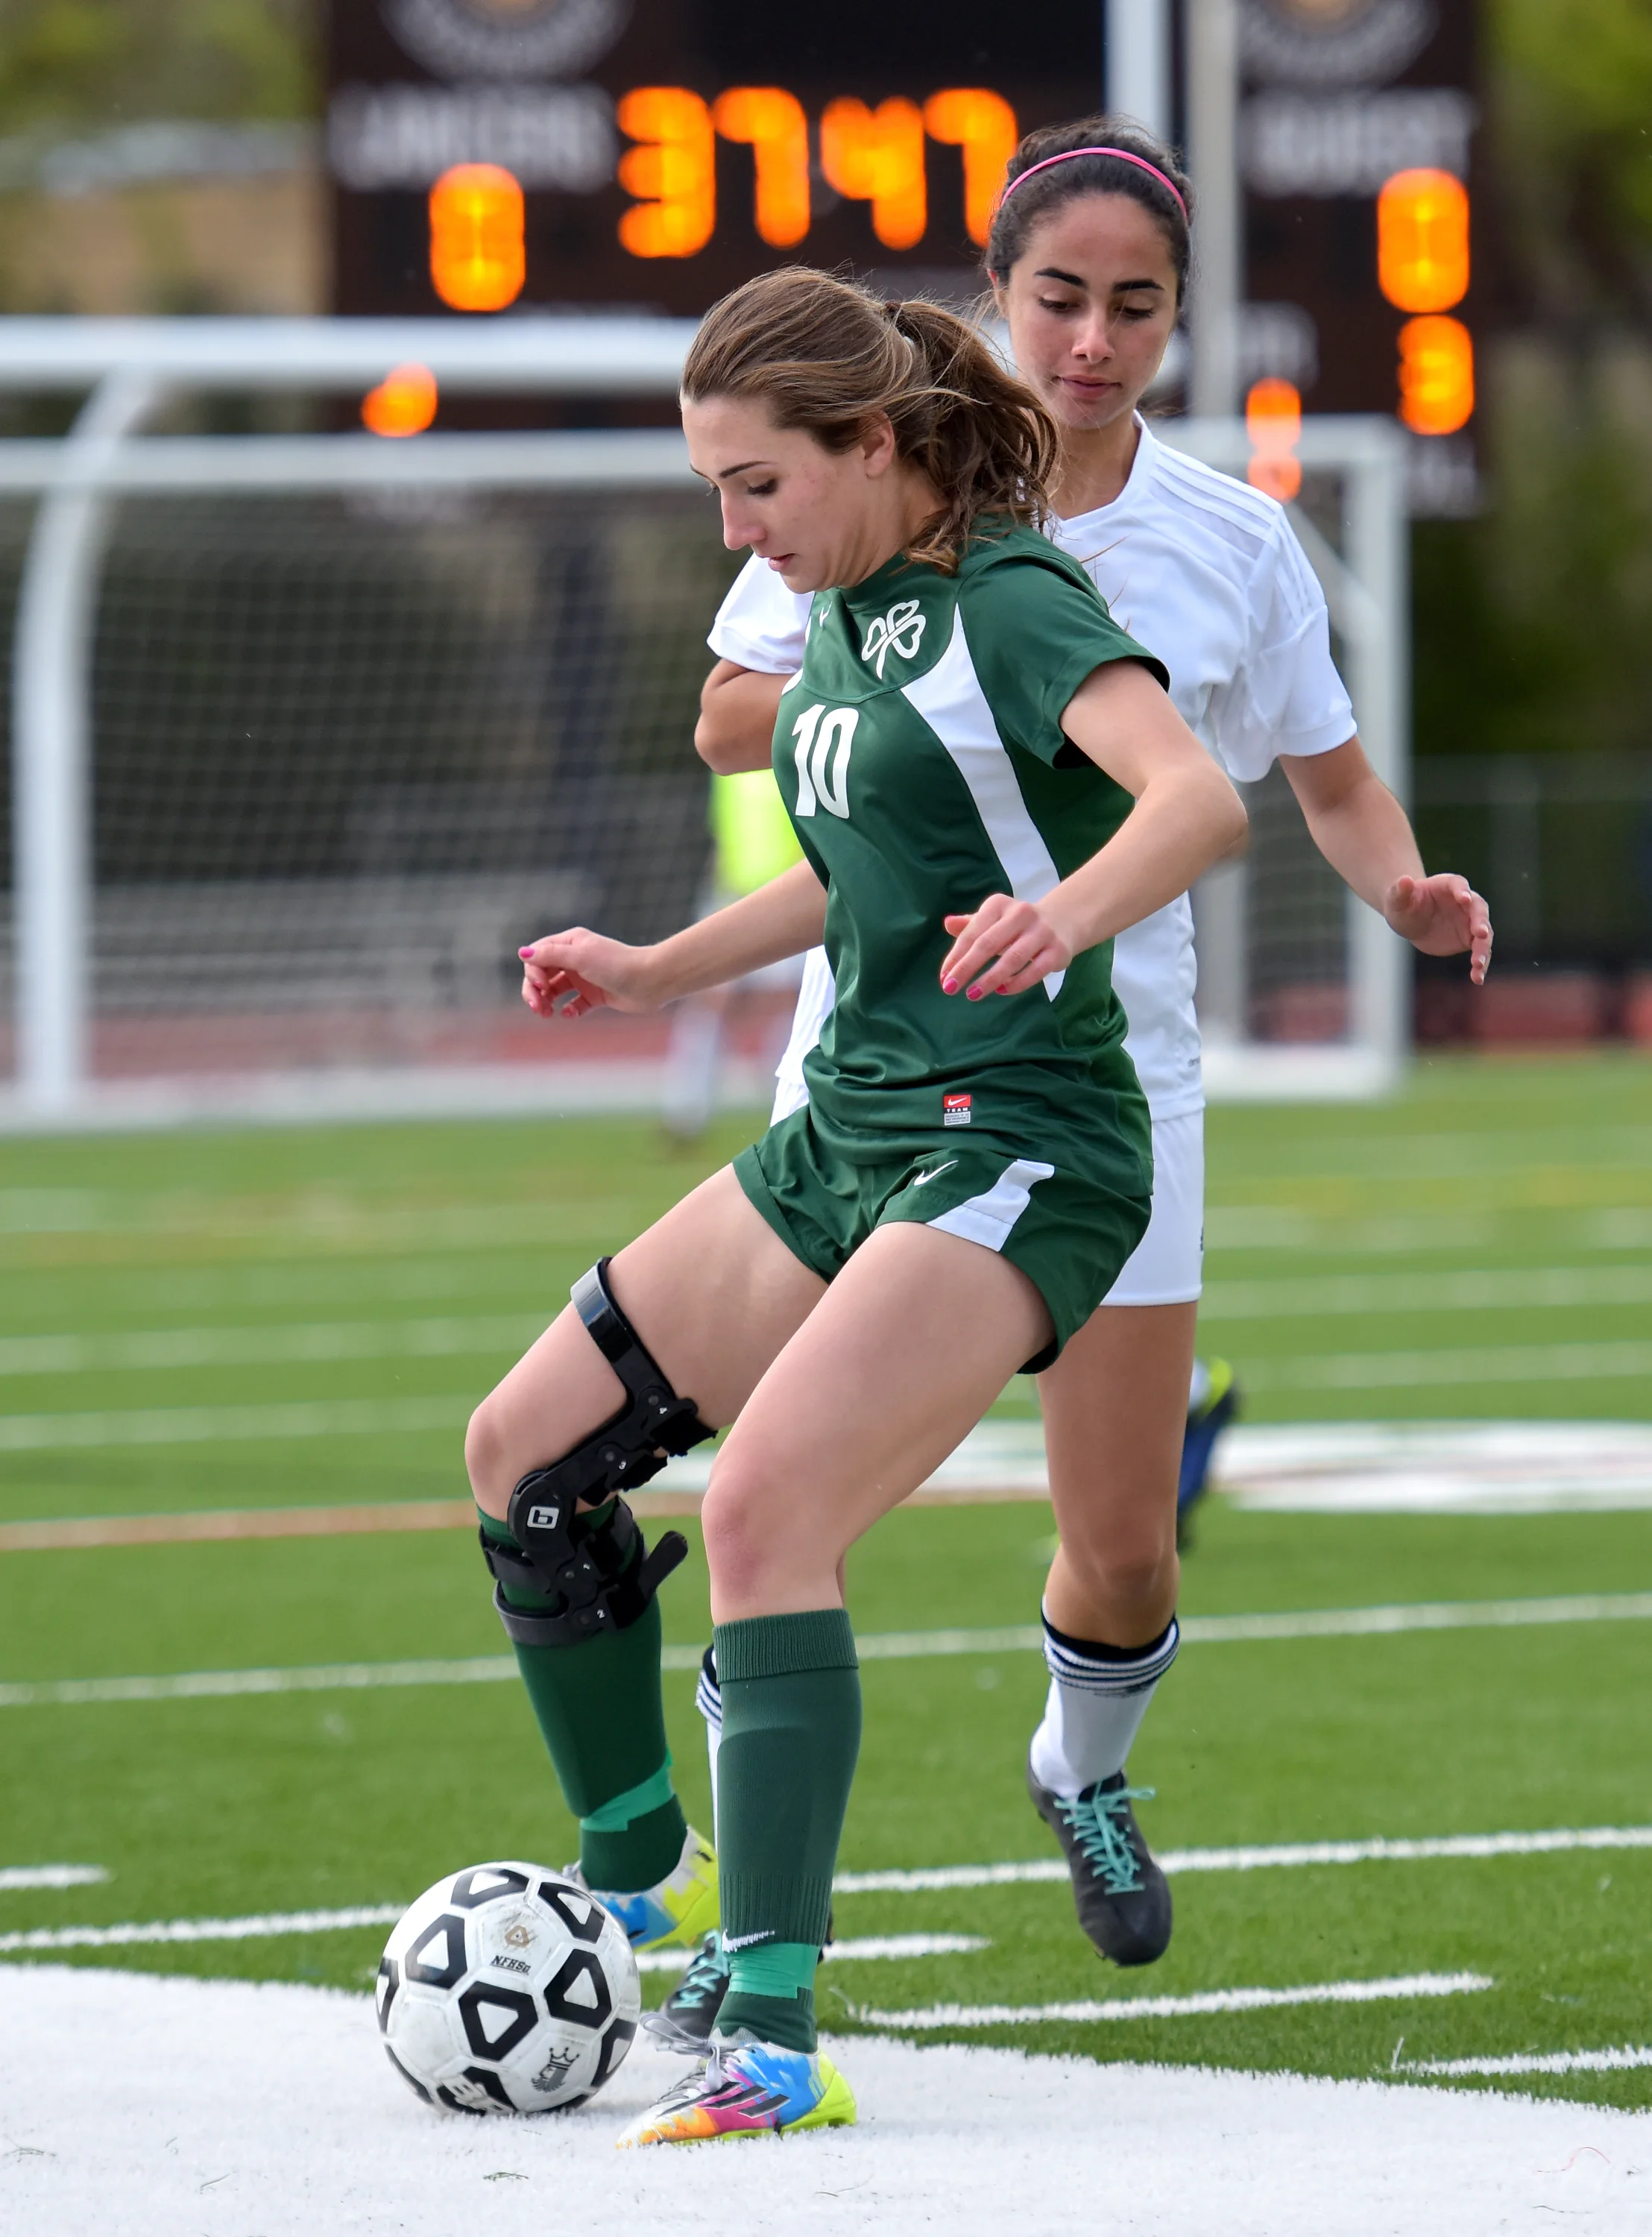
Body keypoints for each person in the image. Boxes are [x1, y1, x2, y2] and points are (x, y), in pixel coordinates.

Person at [670, 115, 1493, 2037]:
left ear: (1180, 318)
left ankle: (1080, 1768)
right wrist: (908, 673)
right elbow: (723, 715)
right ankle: (705, 1896)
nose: (1092, 338)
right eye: (1058, 296)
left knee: (1118, 1542)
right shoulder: (867, 486)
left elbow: (1320, 773)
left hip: (1105, 1094)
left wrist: (1402, 887)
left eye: (1136, 306)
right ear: (994, 291)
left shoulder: (1225, 539)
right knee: (742, 1499)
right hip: (877, 1077)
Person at [465, 264, 1246, 2145]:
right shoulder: (845, 612)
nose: (735, 532)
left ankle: (776, 2030)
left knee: (761, 1507)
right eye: (714, 492)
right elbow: (856, 874)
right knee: (524, 1453)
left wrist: (1070, 910)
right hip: (856, 1125)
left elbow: (1197, 802)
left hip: (1026, 1134)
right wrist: (658, 970)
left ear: (872, 444)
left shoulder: (1012, 595)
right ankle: (642, 1866)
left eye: (757, 487)